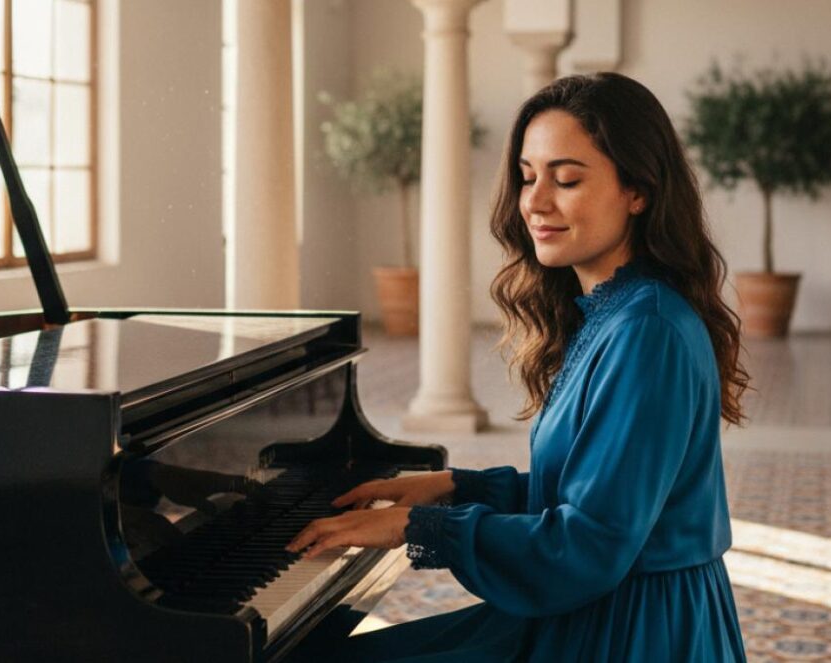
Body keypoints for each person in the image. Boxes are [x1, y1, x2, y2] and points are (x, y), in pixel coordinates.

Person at [286, 72, 749, 662]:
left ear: (638, 190)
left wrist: (418, 528)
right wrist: (451, 488)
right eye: (527, 177)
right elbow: (596, 493)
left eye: (568, 178)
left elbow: (590, 541)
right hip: (599, 608)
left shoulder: (646, 331)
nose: (534, 201)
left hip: (629, 631)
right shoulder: (617, 312)